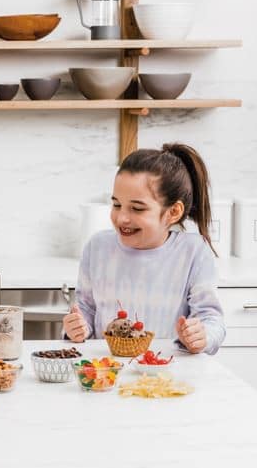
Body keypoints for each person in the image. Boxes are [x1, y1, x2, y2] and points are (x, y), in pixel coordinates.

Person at [63, 143, 225, 354]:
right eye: (116, 204)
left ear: (173, 212)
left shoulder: (193, 252)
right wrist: (76, 328)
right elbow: (85, 308)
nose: (122, 218)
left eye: (137, 208)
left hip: (167, 373)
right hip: (108, 372)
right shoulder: (98, 248)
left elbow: (211, 319)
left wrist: (201, 335)